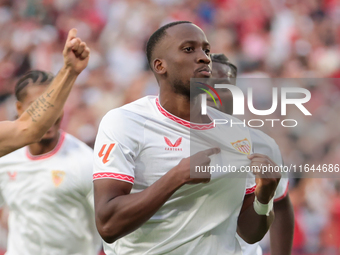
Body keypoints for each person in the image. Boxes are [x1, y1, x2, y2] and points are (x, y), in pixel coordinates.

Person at [93, 21, 281, 255]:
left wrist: (264, 198)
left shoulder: (235, 130)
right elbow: (107, 224)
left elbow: (249, 232)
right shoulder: (125, 122)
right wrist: (176, 177)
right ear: (160, 65)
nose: (204, 58)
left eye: (206, 50)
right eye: (189, 49)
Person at [0, 70, 101, 255]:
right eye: (38, 107)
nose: (48, 116)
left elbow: (106, 223)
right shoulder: (5, 159)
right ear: (20, 109)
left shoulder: (86, 161)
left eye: (53, 106)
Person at [209, 53, 294, 255]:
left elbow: (281, 204)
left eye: (224, 86)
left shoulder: (261, 144)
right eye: (205, 84)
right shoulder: (172, 138)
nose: (214, 93)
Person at [0, 28, 89, 157]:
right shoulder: (7, 162)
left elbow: (29, 129)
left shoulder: (84, 159)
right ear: (19, 108)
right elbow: (29, 129)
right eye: (33, 104)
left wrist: (69, 71)